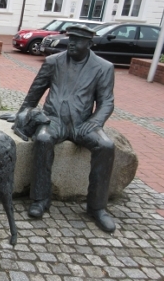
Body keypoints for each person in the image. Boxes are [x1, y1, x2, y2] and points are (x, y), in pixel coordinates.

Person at [14, 24, 116, 233]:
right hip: (54, 120)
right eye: (71, 39)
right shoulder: (53, 62)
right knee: (43, 140)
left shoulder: (103, 68)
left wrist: (96, 121)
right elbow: (34, 93)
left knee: (106, 146)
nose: (72, 43)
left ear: (89, 44)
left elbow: (107, 102)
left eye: (78, 40)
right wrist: (22, 115)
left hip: (84, 122)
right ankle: (40, 200)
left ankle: (97, 208)